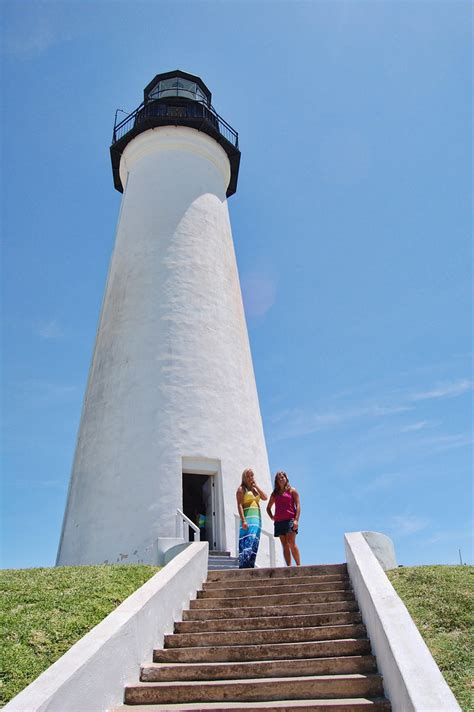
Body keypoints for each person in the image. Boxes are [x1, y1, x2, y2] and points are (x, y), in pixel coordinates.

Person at [266, 471, 301, 566]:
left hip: (290, 519)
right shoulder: (274, 494)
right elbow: (268, 508)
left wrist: (296, 520)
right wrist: (272, 517)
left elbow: (298, 505)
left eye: (282, 477)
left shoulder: (292, 491)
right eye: (279, 478)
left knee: (291, 543)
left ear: (286, 478)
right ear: (276, 481)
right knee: (284, 545)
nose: (281, 479)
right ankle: (289, 566)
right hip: (279, 522)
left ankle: (298, 565)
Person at [236, 468, 268, 569]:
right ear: (244, 478)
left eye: (252, 475)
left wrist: (256, 486)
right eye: (248, 476)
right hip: (248, 520)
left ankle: (251, 565)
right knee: (247, 542)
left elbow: (265, 497)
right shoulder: (241, 489)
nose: (250, 478)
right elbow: (239, 505)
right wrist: (243, 520)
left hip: (257, 520)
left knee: (254, 542)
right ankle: (244, 566)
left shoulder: (254, 490)